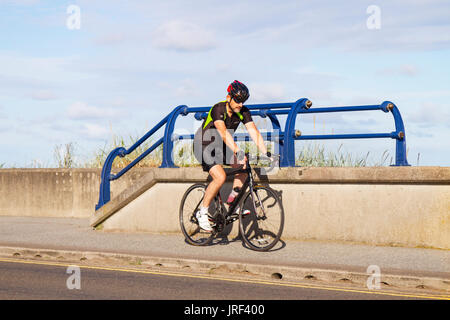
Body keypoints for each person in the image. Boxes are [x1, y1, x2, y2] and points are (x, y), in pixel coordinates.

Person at [193, 80, 272, 232]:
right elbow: (223, 133)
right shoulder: (218, 109)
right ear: (228, 97)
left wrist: (266, 153)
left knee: (243, 167)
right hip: (203, 146)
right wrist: (238, 151)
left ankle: (232, 204)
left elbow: (254, 132)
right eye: (237, 100)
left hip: (221, 147)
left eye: (243, 101)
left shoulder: (243, 111)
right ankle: (202, 212)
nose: (240, 104)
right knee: (220, 177)